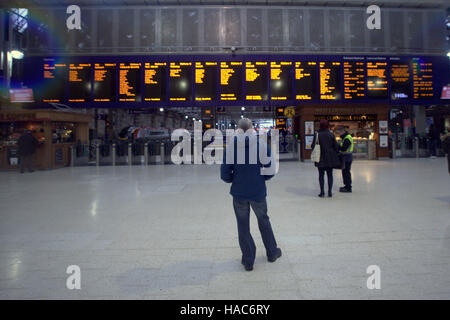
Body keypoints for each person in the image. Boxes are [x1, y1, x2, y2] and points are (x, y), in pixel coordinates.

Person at [221, 118, 281, 271]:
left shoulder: (231, 147)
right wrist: (261, 178)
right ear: (252, 128)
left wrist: (233, 179)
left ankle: (248, 260)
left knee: (243, 226)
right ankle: (272, 252)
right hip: (258, 191)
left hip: (239, 193)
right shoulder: (261, 144)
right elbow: (270, 169)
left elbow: (225, 174)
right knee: (264, 220)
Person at [311, 119, 340, 198]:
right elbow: (336, 146)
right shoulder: (331, 134)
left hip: (320, 157)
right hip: (330, 157)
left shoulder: (317, 134)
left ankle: (322, 192)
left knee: (321, 175)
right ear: (328, 125)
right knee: (330, 174)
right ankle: (330, 192)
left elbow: (312, 146)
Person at [336, 126, 354, 193]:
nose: (339, 134)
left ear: (342, 131)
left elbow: (343, 148)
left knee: (346, 172)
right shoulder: (345, 137)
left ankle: (348, 187)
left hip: (347, 158)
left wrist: (338, 146)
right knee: (345, 172)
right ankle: (346, 186)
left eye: (339, 133)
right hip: (346, 157)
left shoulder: (347, 138)